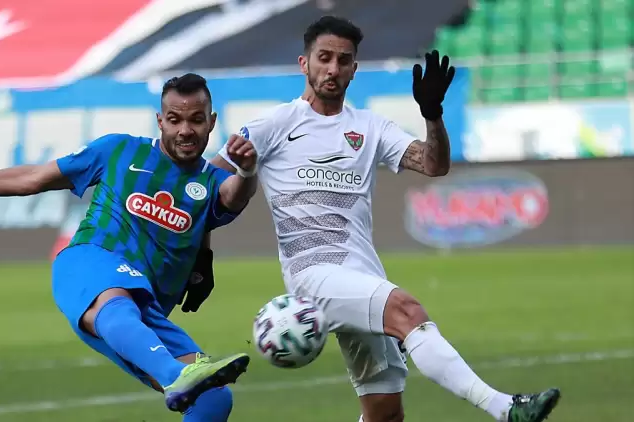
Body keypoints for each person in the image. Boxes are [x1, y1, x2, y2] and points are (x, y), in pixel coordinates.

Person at [207, 16, 561, 422]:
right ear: (304, 63)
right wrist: (200, 250)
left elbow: (434, 165)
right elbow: (207, 184)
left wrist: (433, 114)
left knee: (385, 412)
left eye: (343, 60)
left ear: (354, 69)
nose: (333, 69)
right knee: (407, 311)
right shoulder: (272, 125)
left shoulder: (370, 127)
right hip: (313, 274)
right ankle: (506, 409)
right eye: (324, 58)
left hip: (363, 273)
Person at [0, 73, 259, 420]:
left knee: (213, 398)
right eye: (175, 119)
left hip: (144, 309)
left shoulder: (211, 180)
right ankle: (174, 374)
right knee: (119, 301)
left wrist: (246, 171)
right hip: (89, 264)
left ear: (211, 122)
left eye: (196, 120)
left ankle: (178, 376)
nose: (185, 130)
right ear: (160, 121)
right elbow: (33, 178)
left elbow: (233, 197)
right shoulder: (119, 150)